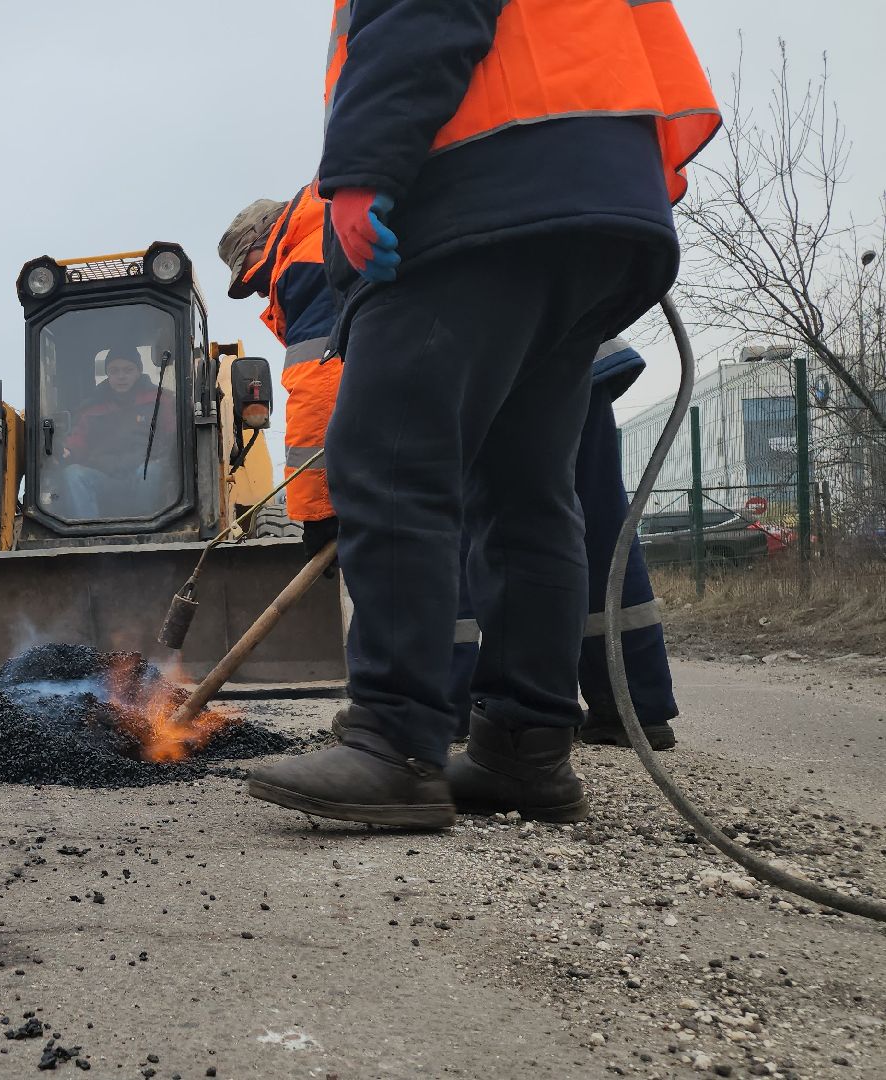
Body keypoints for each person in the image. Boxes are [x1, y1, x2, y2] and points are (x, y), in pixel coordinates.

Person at [247, 0, 718, 828]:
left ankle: (393, 741)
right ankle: (523, 747)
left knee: (391, 458)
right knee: (525, 487)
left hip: (484, 187)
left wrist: (362, 168)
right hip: (599, 193)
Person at [449, 339, 681, 750]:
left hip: (482, 351)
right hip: (577, 344)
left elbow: (321, 377)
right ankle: (633, 703)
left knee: (452, 522)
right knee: (596, 522)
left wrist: (322, 506)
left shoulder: (304, 273)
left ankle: (442, 703)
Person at [218, 184, 341, 548]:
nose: (259, 291)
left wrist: (318, 512)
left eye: (253, 274)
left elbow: (319, 389)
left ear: (266, 238)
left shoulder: (303, 263)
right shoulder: (328, 233)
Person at [57, 353, 175, 518]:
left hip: (143, 474)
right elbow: (78, 438)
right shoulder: (92, 408)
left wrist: (164, 458)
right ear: (108, 374)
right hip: (104, 476)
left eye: (128, 370)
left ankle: (145, 525)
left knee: (151, 470)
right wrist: (68, 450)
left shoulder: (159, 401)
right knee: (73, 474)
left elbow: (173, 436)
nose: (121, 376)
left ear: (139, 372)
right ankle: (88, 533)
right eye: (114, 370)